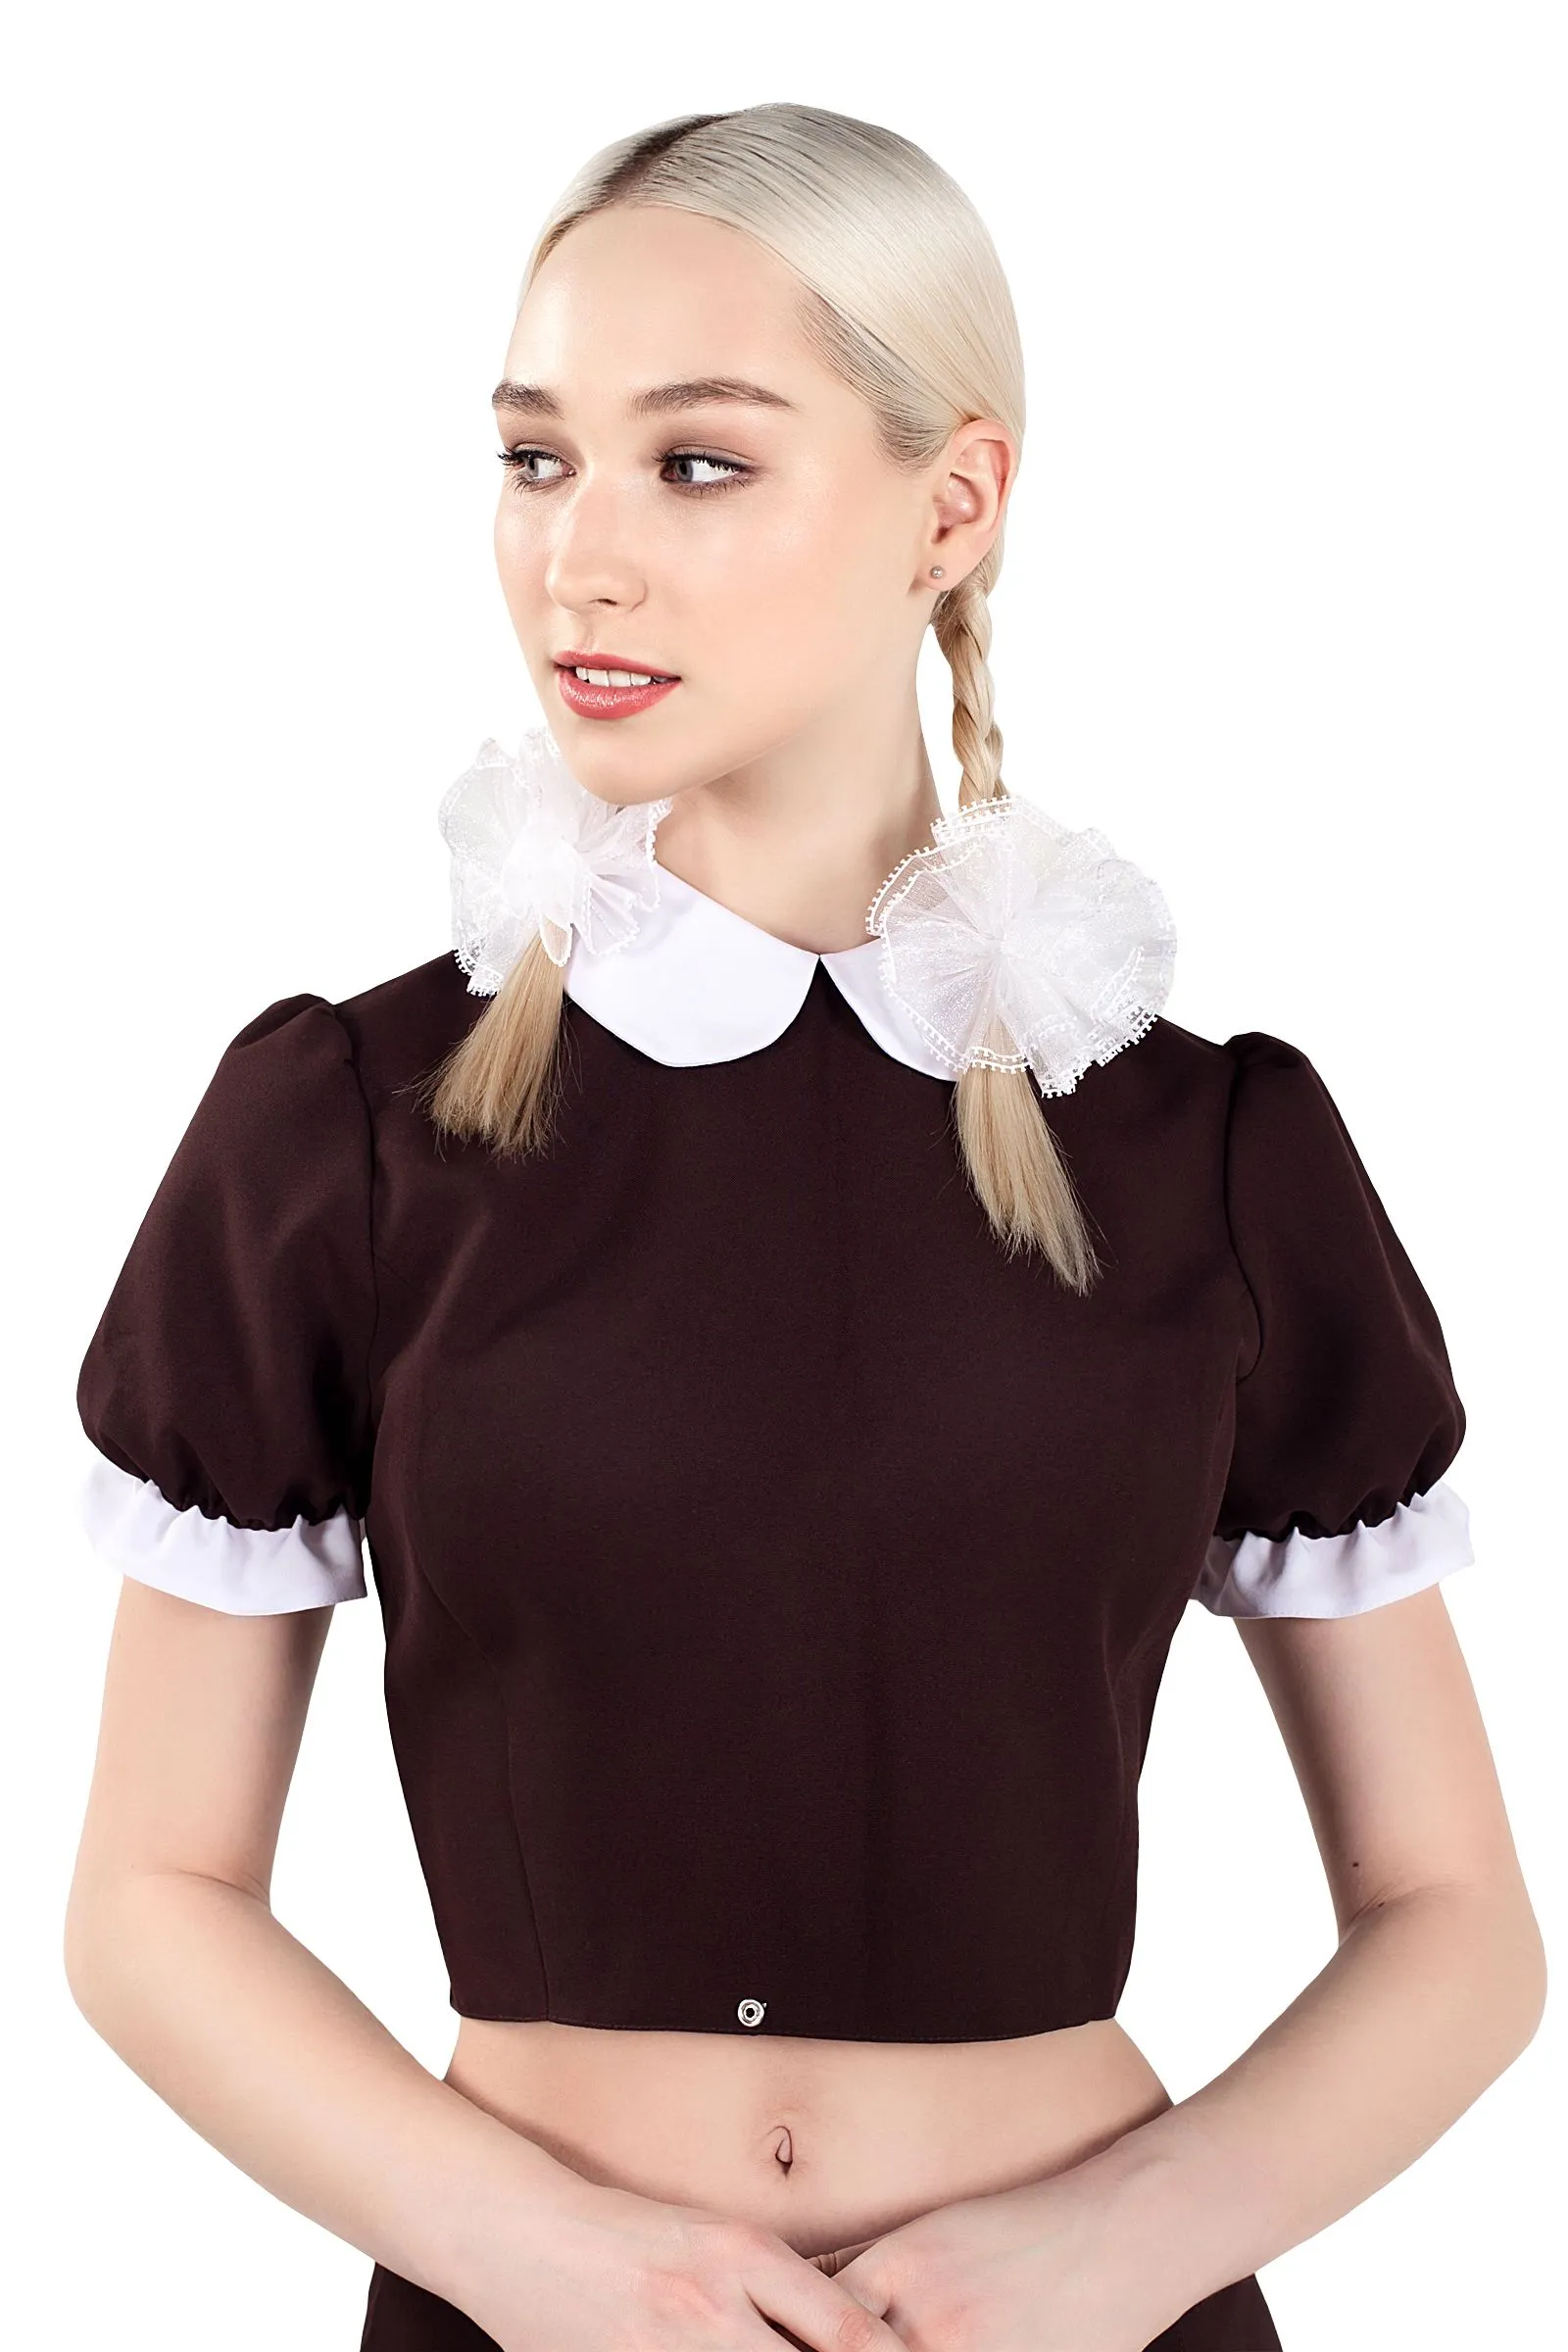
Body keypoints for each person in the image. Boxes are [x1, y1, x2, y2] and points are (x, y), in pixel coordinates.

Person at [63, 102, 1544, 2352]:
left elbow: (1453, 1921)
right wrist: (538, 2258)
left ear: (951, 504)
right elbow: (150, 1899)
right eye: (535, 459)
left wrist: (1121, 2247)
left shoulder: (1207, 1151)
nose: (578, 559)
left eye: (695, 463)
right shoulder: (346, 1130)